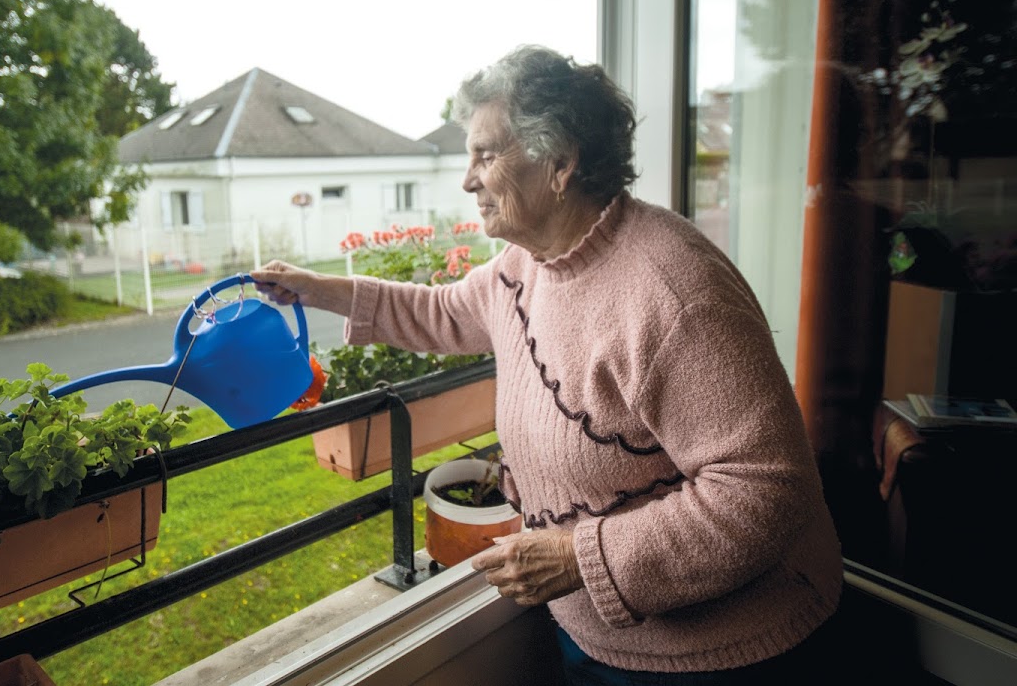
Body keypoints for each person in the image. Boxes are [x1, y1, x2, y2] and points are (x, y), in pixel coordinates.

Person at [253, 45, 843, 684]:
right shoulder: (527, 266)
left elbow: (763, 489)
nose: (468, 180)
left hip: (722, 655)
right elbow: (441, 312)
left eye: (486, 155)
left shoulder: (674, 294)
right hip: (592, 635)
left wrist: (578, 559)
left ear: (560, 163)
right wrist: (316, 288)